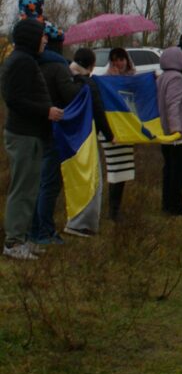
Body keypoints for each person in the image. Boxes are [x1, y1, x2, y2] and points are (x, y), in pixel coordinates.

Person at [2, 17, 63, 260]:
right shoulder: (20, 62)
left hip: (31, 134)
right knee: (22, 190)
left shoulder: (25, 60)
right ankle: (13, 242)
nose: (45, 39)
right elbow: (14, 100)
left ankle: (23, 238)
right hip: (24, 135)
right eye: (42, 35)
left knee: (30, 188)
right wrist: (45, 111)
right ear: (30, 37)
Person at [32, 22, 85, 241]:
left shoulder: (33, 63)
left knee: (35, 182)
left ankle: (32, 228)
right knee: (50, 183)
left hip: (33, 129)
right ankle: (44, 230)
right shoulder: (57, 67)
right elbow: (72, 95)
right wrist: (81, 80)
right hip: (53, 132)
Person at [65, 48, 115, 234]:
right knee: (92, 180)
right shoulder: (89, 84)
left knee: (71, 179)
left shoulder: (66, 80)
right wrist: (110, 135)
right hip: (86, 137)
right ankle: (82, 224)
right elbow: (98, 111)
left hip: (66, 138)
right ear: (91, 65)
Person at [157, 47, 182, 216]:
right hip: (179, 134)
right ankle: (175, 205)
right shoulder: (176, 78)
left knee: (169, 169)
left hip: (166, 133)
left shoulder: (164, 77)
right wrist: (176, 129)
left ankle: (168, 203)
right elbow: (172, 103)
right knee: (179, 171)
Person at [98, 47, 137, 221]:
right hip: (110, 131)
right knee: (115, 168)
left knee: (124, 169)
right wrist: (112, 81)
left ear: (127, 60)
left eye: (121, 59)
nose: (118, 63)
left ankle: (116, 209)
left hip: (127, 130)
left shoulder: (133, 78)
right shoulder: (105, 79)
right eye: (115, 60)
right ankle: (112, 211)